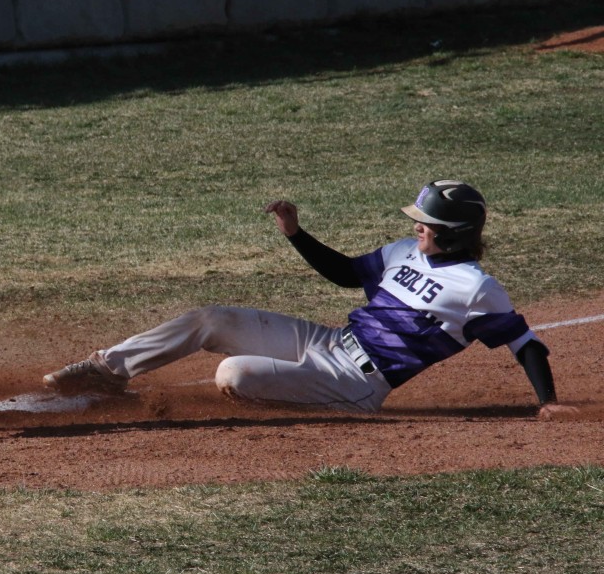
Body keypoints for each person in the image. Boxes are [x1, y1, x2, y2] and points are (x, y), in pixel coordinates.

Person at [44, 180, 574, 419]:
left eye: (424, 224)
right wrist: (297, 234)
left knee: (233, 374)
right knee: (212, 319)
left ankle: (311, 400)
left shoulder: (478, 288)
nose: (414, 229)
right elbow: (346, 275)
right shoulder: (401, 252)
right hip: (330, 342)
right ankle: (107, 371)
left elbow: (525, 344)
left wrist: (547, 403)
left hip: (358, 382)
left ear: (453, 233)